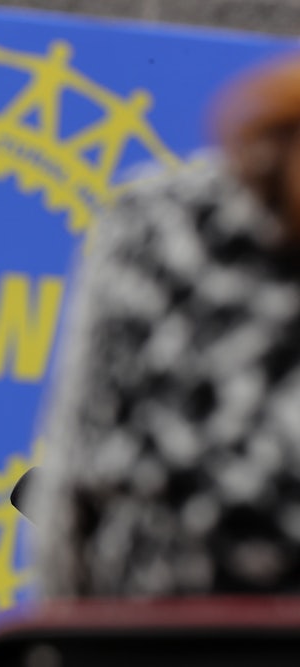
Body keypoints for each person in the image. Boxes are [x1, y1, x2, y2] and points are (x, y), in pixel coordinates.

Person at [32, 54, 300, 599]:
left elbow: (71, 490)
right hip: (156, 627)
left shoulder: (149, 221)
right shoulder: (160, 227)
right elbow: (74, 479)